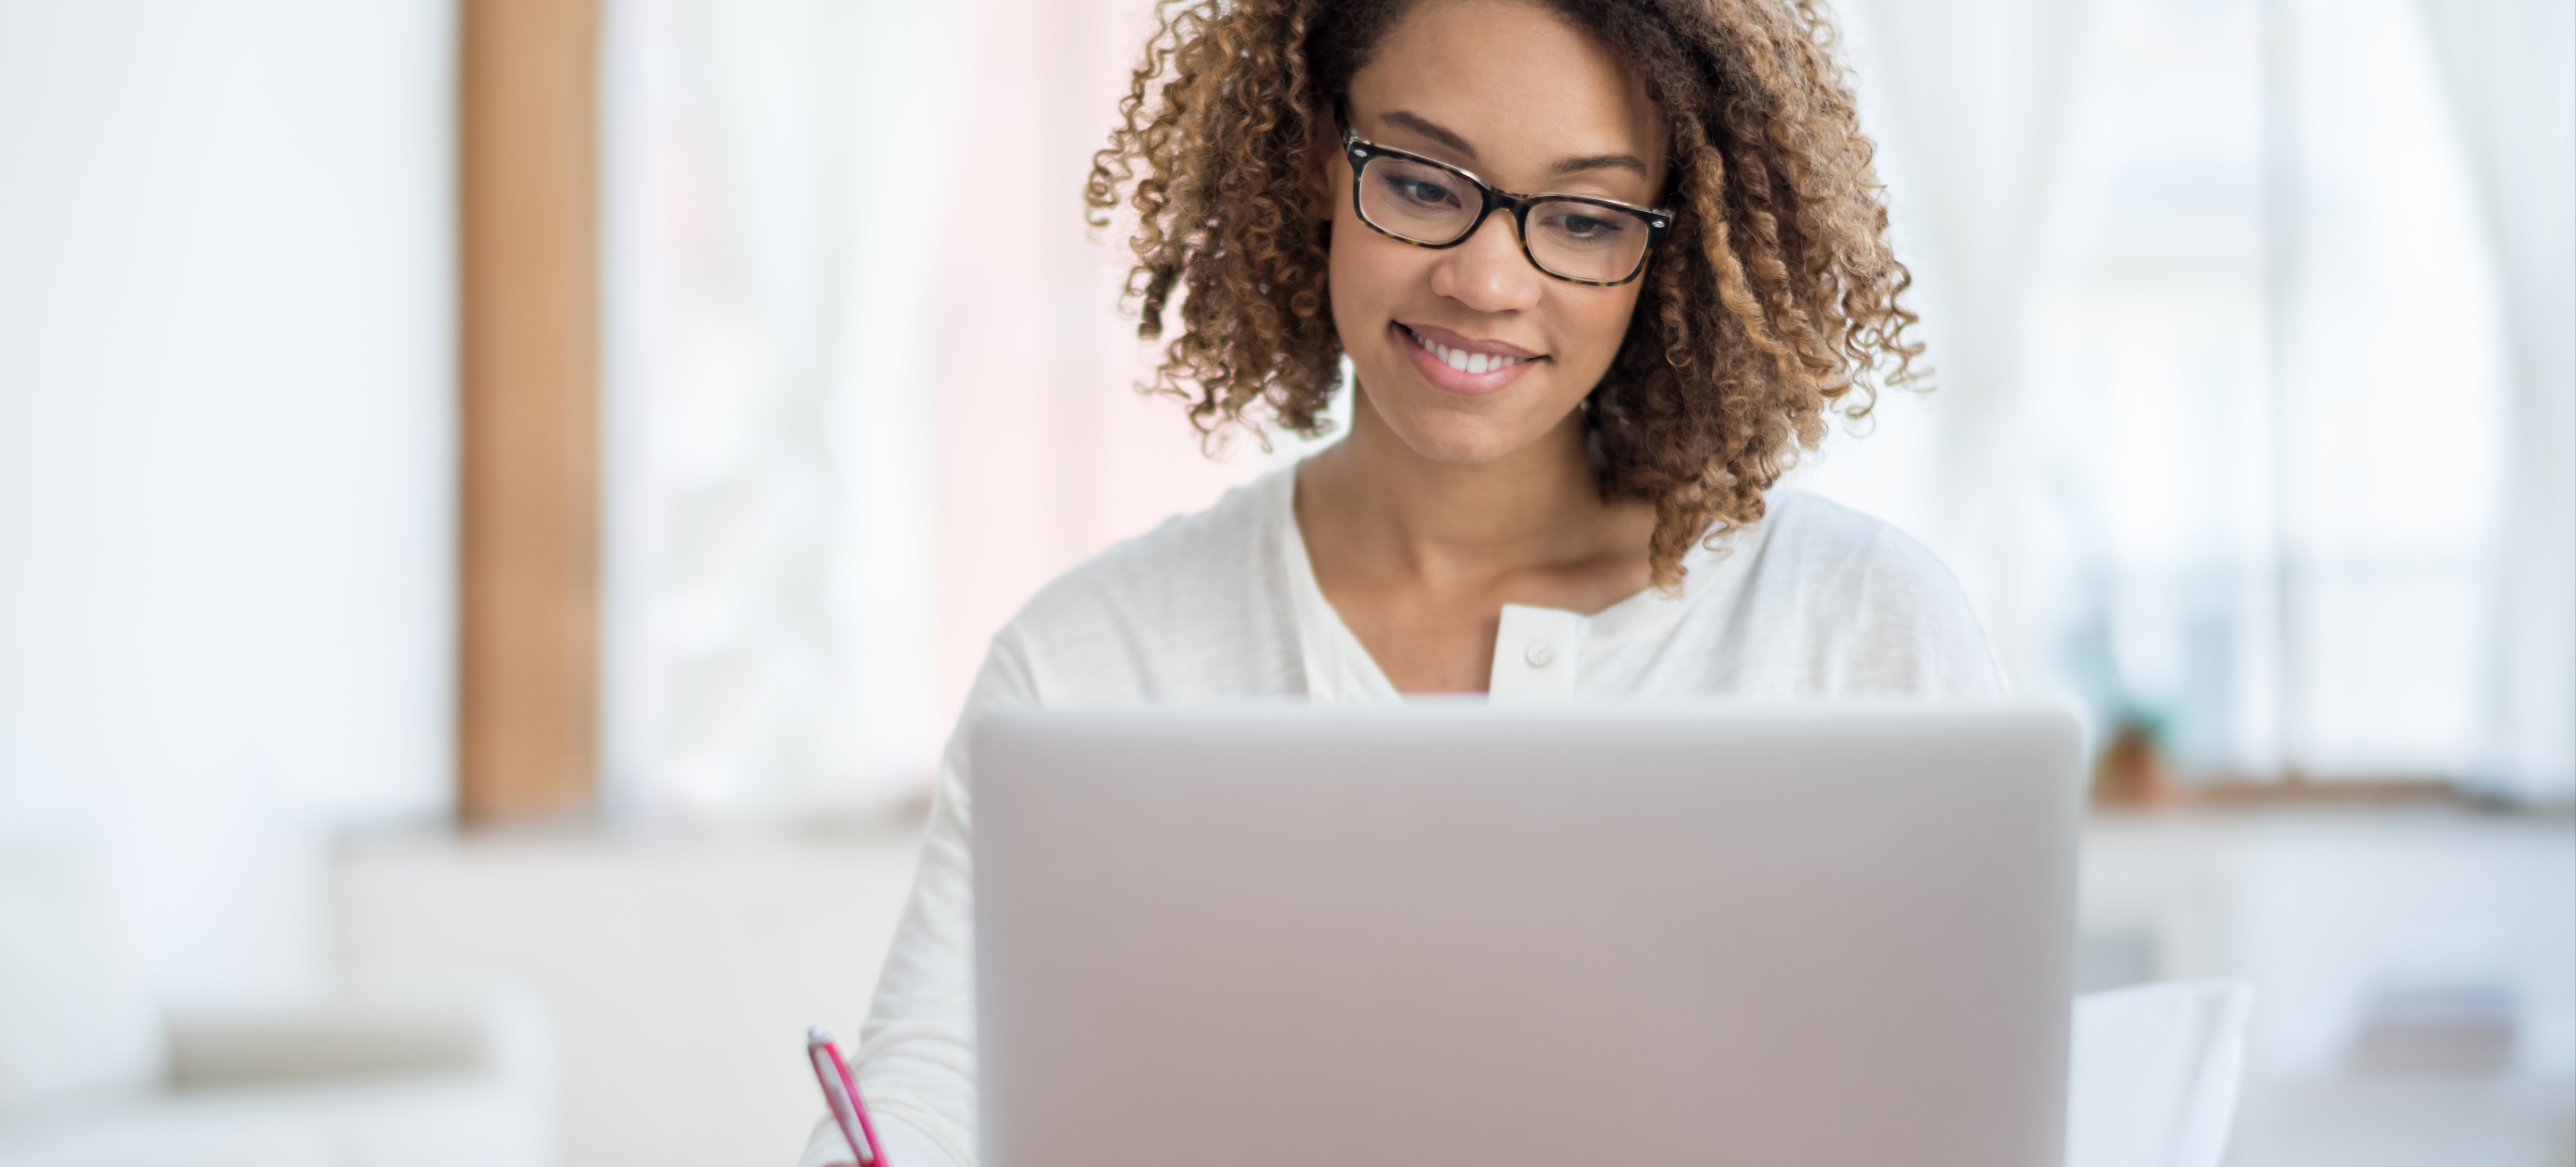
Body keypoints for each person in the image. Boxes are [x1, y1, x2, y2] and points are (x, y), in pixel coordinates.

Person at [801, 1, 2000, 1163]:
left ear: (1666, 244)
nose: (1485, 283)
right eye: (1424, 186)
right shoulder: (1094, 665)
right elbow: (937, 1088)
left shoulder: (1858, 629)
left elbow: (1975, 1101)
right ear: (1323, 156)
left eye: (1584, 218)